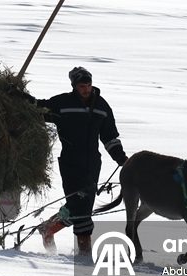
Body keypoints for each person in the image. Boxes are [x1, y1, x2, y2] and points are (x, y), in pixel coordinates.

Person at [34, 66, 128, 255]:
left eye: (88, 85)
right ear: (74, 86)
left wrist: (121, 157)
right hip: (71, 162)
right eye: (81, 86)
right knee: (81, 207)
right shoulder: (63, 103)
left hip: (93, 163)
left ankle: (48, 228)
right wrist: (21, 98)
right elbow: (38, 107)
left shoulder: (101, 106)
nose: (86, 89)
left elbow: (109, 137)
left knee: (80, 206)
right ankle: (84, 254)